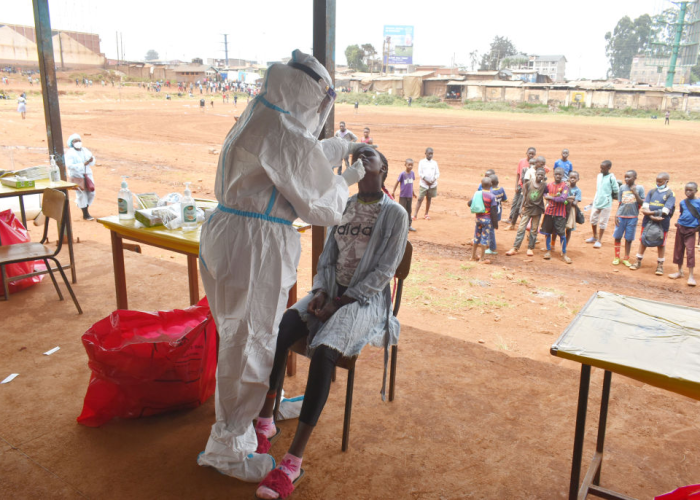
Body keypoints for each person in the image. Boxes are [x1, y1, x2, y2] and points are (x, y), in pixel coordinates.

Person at [197, 49, 369, 483]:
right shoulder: (282, 128)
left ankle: (238, 421)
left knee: (238, 336)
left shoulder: (263, 112)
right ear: (313, 98)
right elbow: (320, 205)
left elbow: (299, 157)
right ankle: (229, 446)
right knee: (250, 341)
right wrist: (348, 180)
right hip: (254, 246)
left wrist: (344, 147)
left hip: (228, 234)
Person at [253, 145, 408, 499]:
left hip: (364, 300)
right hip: (331, 292)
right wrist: (322, 291)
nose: (362, 157)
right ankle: (265, 420)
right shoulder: (346, 205)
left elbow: (384, 272)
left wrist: (340, 302)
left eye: (370, 154)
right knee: (285, 327)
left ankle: (292, 461)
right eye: (358, 155)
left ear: (383, 166)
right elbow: (327, 258)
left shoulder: (395, 214)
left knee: (324, 351)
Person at [629, 173, 676, 275]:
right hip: (648, 221)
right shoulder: (652, 191)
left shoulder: (670, 194)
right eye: (657, 181)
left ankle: (660, 265)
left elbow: (665, 211)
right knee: (643, 240)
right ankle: (638, 261)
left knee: (661, 243)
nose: (658, 183)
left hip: (662, 223)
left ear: (666, 181)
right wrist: (652, 217)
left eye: (660, 182)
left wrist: (649, 213)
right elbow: (645, 206)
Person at [506, 168, 547, 257]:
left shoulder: (544, 185)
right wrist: (521, 207)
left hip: (538, 210)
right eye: (539, 174)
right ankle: (515, 247)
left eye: (542, 175)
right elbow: (524, 196)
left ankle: (530, 248)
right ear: (535, 174)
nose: (540, 176)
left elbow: (548, 194)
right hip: (528, 209)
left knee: (534, 229)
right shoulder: (528, 184)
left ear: (544, 176)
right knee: (521, 228)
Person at [669, 182, 700, 286]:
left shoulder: (699, 202)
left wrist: (697, 228)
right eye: (686, 189)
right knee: (678, 249)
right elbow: (682, 213)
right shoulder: (682, 202)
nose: (688, 192)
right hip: (681, 228)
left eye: (690, 190)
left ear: (696, 191)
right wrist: (678, 223)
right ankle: (680, 271)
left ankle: (691, 275)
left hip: (691, 230)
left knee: (690, 252)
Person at [612, 170, 644, 267]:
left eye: (629, 177)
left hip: (632, 217)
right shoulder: (622, 188)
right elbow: (620, 203)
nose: (626, 179)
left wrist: (635, 193)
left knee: (629, 239)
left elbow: (642, 203)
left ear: (635, 178)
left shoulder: (639, 188)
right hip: (621, 216)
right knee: (617, 237)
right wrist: (616, 215)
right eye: (625, 177)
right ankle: (617, 257)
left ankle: (626, 257)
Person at [539, 167, 571, 263]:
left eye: (560, 174)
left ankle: (564, 253)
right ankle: (548, 251)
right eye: (556, 174)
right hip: (549, 212)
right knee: (548, 233)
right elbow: (544, 192)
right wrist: (546, 196)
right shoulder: (549, 185)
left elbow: (562, 199)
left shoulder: (565, 186)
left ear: (563, 175)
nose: (558, 176)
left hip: (560, 214)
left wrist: (550, 197)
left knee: (562, 234)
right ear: (553, 174)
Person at [586, 160, 619, 249]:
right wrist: (594, 200)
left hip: (606, 203)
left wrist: (610, 198)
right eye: (600, 167)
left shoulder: (611, 177)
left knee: (603, 222)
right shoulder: (599, 176)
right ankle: (594, 236)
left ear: (608, 168)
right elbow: (598, 190)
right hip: (597, 201)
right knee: (593, 219)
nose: (601, 169)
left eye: (603, 168)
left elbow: (616, 190)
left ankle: (599, 240)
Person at [65, 133, 96, 221]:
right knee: (81, 194)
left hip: (87, 174)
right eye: (75, 141)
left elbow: (91, 159)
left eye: (79, 140)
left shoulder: (85, 150)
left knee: (91, 192)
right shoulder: (70, 153)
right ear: (72, 143)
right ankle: (85, 213)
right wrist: (83, 164)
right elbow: (69, 165)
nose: (78, 142)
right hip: (77, 175)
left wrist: (91, 160)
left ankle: (83, 206)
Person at [468, 176, 498, 263]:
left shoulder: (477, 194)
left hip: (478, 219)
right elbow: (493, 212)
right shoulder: (492, 196)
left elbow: (469, 203)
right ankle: (482, 258)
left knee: (476, 237)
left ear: (481, 185)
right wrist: (495, 224)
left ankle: (473, 256)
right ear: (491, 185)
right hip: (487, 220)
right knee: (484, 238)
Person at [507, 147, 536, 230]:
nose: (531, 155)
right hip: (520, 186)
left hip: (527, 190)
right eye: (529, 153)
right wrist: (516, 185)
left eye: (533, 154)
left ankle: (516, 221)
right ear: (526, 153)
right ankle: (511, 218)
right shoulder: (522, 162)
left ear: (535, 155)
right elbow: (518, 174)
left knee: (520, 205)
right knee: (515, 202)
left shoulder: (535, 164)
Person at [412, 147, 440, 220]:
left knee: (429, 198)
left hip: (432, 184)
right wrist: (426, 180)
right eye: (429, 154)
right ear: (425, 154)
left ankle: (426, 214)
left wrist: (433, 180)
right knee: (420, 198)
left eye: (432, 154)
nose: (430, 155)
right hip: (424, 184)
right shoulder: (421, 162)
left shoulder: (434, 163)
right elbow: (420, 173)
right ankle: (415, 215)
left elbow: (437, 173)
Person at [392, 158, 416, 231]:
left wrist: (413, 192)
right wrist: (393, 191)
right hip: (403, 196)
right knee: (402, 210)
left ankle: (408, 225)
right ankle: (401, 226)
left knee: (409, 210)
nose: (410, 166)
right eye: (409, 165)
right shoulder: (402, 174)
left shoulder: (412, 173)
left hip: (410, 196)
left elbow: (411, 184)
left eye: (411, 165)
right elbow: (397, 182)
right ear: (405, 165)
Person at [486, 174, 507, 256]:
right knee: (491, 228)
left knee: (491, 230)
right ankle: (489, 243)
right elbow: (505, 199)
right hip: (498, 212)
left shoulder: (490, 192)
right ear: (498, 182)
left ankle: (492, 248)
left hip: (492, 213)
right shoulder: (501, 189)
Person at [565, 171, 582, 248]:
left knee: (568, 229)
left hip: (571, 211)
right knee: (559, 226)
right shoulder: (564, 187)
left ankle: (565, 245)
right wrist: (572, 198)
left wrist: (567, 198)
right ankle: (553, 244)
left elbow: (575, 203)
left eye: (574, 178)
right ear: (568, 178)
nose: (572, 179)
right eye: (571, 177)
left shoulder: (578, 191)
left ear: (578, 179)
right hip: (563, 210)